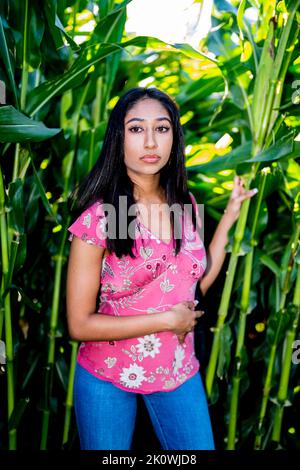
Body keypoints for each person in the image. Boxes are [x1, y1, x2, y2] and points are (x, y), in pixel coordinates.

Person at [66, 87, 257, 450]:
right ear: (118, 139)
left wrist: (230, 216)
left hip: (176, 369)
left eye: (163, 128)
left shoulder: (183, 204)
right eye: (137, 129)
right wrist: (168, 322)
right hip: (107, 372)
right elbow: (79, 324)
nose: (151, 141)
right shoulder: (102, 218)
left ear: (175, 138)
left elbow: (194, 282)